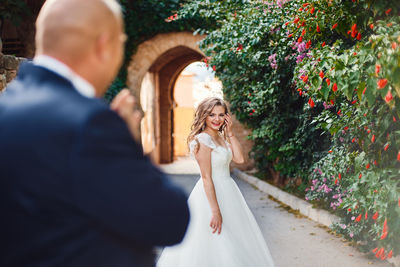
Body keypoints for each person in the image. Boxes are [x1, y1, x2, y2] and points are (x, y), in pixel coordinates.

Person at [0, 0, 189, 266]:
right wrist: (131, 146)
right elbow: (170, 220)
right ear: (103, 45)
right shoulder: (91, 123)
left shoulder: (6, 108)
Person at [156, 97, 276, 267]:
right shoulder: (202, 140)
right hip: (210, 196)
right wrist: (215, 211)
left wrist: (231, 132)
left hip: (229, 192)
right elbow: (206, 177)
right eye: (212, 115)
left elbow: (240, 159)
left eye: (221, 115)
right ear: (204, 116)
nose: (216, 119)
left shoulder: (221, 137)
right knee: (216, 240)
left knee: (235, 239)